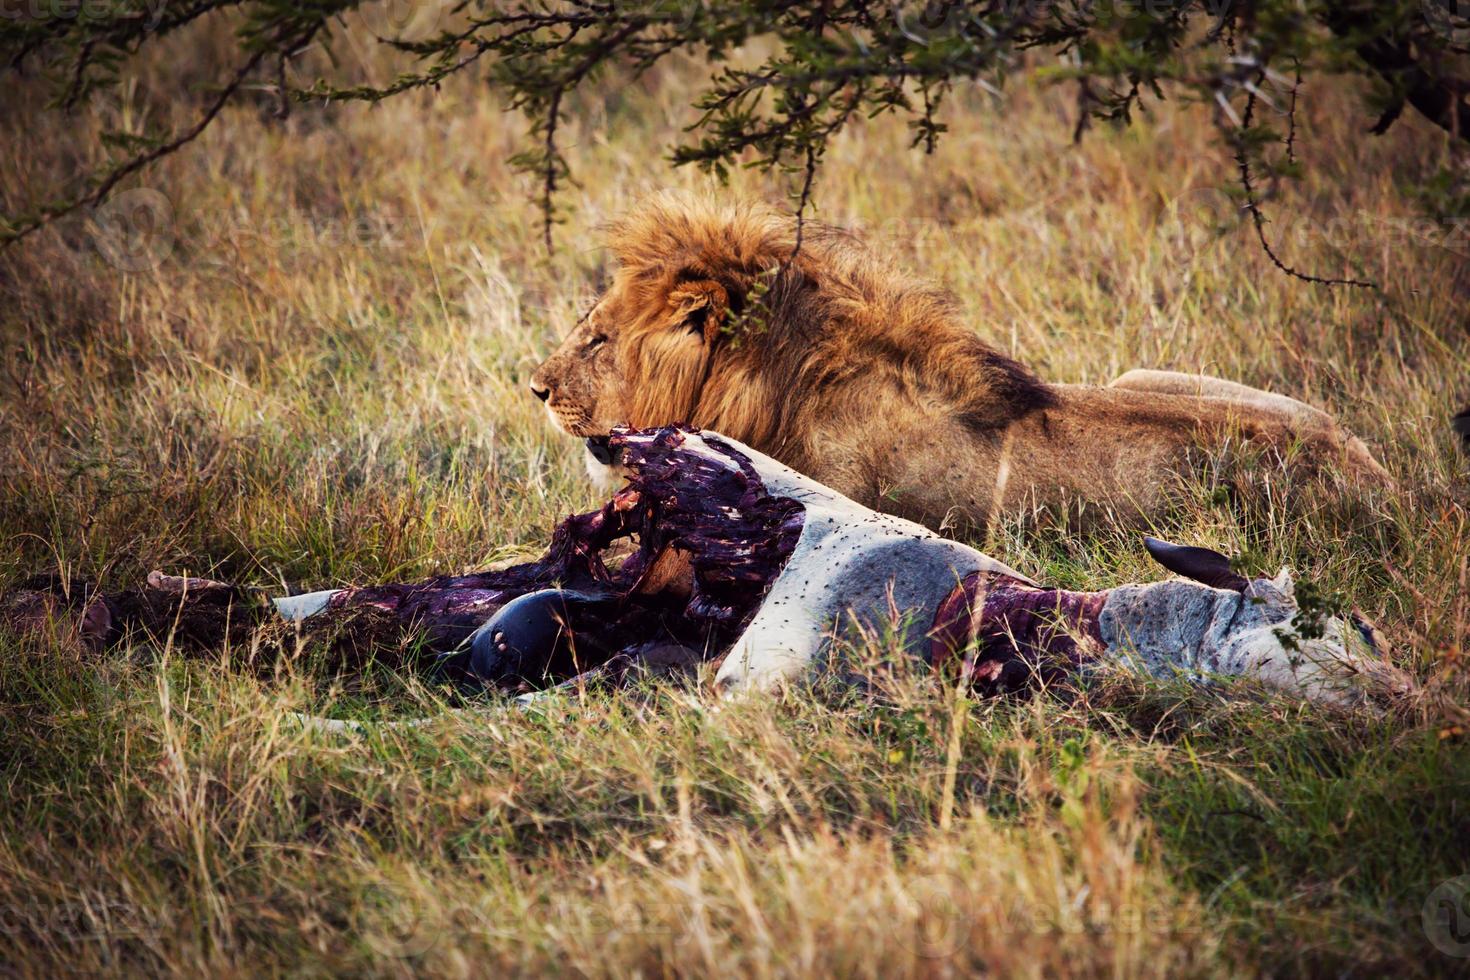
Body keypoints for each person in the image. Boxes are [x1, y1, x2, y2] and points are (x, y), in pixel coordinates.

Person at [3, 426, 1412, 708]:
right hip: (780, 562)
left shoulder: (1045, 653)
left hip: (765, 584)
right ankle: (169, 618)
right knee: (410, 611)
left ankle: (176, 621)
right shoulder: (683, 572)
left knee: (435, 618)